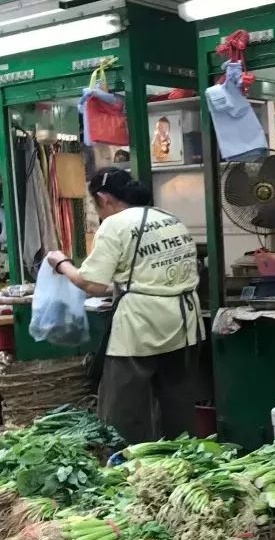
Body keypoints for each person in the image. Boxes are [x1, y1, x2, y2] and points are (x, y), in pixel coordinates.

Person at [45, 168, 201, 443]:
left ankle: (125, 465)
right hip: (184, 323)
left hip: (140, 327)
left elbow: (92, 284)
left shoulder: (115, 225)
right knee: (177, 405)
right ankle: (183, 458)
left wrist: (61, 263)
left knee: (123, 411)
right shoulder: (169, 218)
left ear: (104, 198)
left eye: (96, 204)